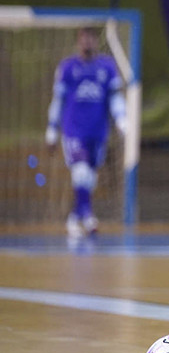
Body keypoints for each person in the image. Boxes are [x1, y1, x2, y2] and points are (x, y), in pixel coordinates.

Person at [45, 26, 126, 238]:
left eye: (92, 38)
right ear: (78, 41)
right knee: (80, 171)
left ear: (97, 42)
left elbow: (115, 97)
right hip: (73, 130)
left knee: (89, 179)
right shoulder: (68, 67)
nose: (88, 42)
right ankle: (89, 218)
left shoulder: (107, 67)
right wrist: (52, 129)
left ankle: (74, 218)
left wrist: (121, 119)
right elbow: (58, 100)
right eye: (84, 38)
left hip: (98, 132)